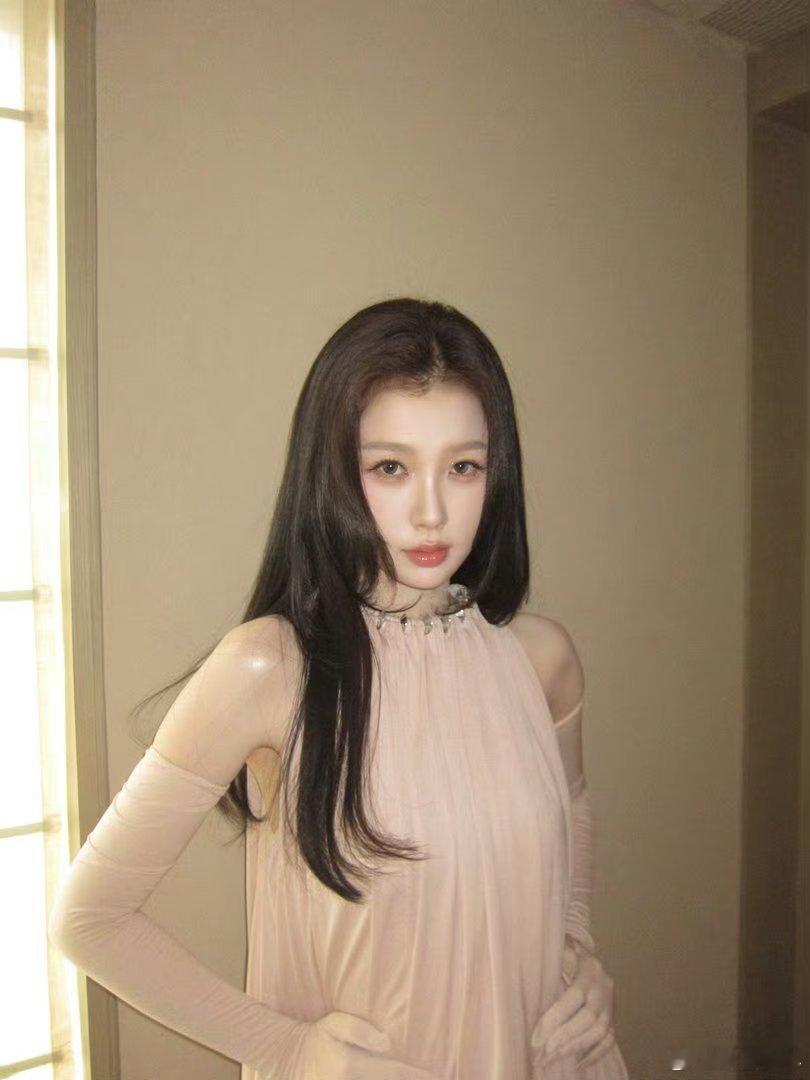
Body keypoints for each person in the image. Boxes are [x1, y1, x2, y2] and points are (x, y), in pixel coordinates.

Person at [48, 297, 630, 1078]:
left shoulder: (541, 659)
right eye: (390, 467)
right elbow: (89, 919)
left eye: (463, 466)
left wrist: (578, 953)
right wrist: (281, 1047)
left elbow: (570, 819)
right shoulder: (268, 669)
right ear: (333, 475)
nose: (431, 512)